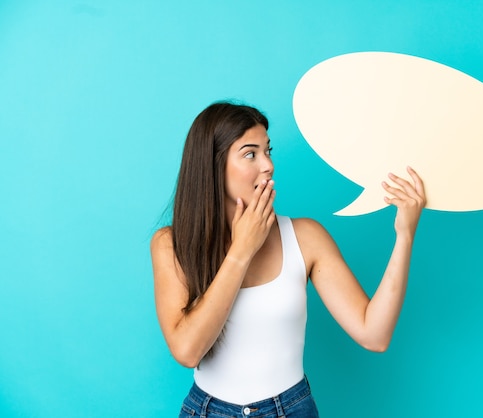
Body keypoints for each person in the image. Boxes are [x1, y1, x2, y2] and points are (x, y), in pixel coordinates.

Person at [150, 101, 426, 418]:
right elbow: (187, 350)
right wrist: (242, 249)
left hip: (292, 409)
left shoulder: (306, 237)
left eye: (268, 151)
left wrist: (404, 236)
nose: (267, 165)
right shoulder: (171, 244)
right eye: (250, 154)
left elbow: (374, 334)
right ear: (212, 166)